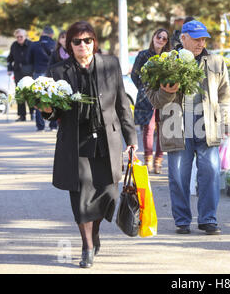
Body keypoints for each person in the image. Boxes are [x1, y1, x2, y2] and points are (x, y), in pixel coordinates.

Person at [38, 21, 138, 268]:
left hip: (107, 140)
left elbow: (122, 106)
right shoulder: (57, 72)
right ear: (68, 45)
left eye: (88, 40)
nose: (83, 45)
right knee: (82, 196)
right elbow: (53, 113)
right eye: (77, 41)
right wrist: (47, 110)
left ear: (94, 42)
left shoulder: (110, 65)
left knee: (108, 194)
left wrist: (132, 140)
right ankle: (87, 247)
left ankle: (95, 233)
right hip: (76, 143)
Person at [146, 20, 230, 236]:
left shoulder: (216, 62)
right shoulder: (164, 62)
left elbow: (224, 95)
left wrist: (226, 123)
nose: (201, 43)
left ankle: (208, 220)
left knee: (210, 173)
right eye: (196, 39)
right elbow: (154, 99)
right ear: (183, 38)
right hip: (177, 128)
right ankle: (182, 221)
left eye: (204, 39)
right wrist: (168, 91)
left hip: (207, 127)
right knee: (178, 176)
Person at [131, 28, 171, 174]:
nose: (160, 40)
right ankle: (148, 160)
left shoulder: (168, 57)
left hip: (165, 97)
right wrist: (144, 89)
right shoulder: (143, 55)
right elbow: (135, 75)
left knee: (162, 129)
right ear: (153, 37)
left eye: (164, 38)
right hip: (147, 97)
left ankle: (158, 161)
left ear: (167, 42)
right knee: (148, 128)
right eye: (158, 36)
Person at [27, 25, 57, 131]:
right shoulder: (55, 44)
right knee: (53, 98)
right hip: (51, 74)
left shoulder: (34, 45)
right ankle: (53, 125)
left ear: (42, 33)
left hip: (37, 73)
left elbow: (29, 60)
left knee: (39, 99)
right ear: (52, 34)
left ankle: (40, 126)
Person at [7, 28, 34, 121]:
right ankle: (22, 115)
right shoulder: (14, 45)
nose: (19, 38)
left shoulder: (31, 45)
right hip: (18, 72)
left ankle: (32, 113)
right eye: (17, 37)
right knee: (20, 94)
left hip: (29, 72)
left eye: (21, 36)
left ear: (25, 36)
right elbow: (10, 59)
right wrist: (9, 69)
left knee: (30, 94)